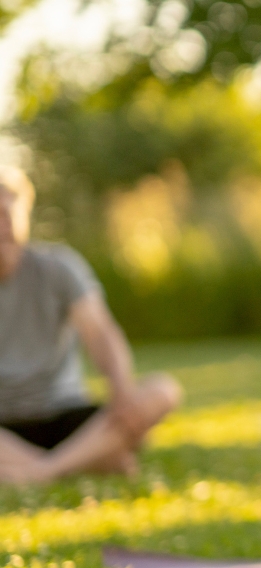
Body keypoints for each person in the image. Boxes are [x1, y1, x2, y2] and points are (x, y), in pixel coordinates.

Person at [0, 166, 182, 485]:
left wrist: (122, 390)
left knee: (162, 391)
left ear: (24, 213)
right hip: (5, 429)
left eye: (7, 213)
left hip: (66, 416)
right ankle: (90, 460)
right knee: (116, 450)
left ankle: (39, 472)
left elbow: (100, 333)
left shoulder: (59, 268)